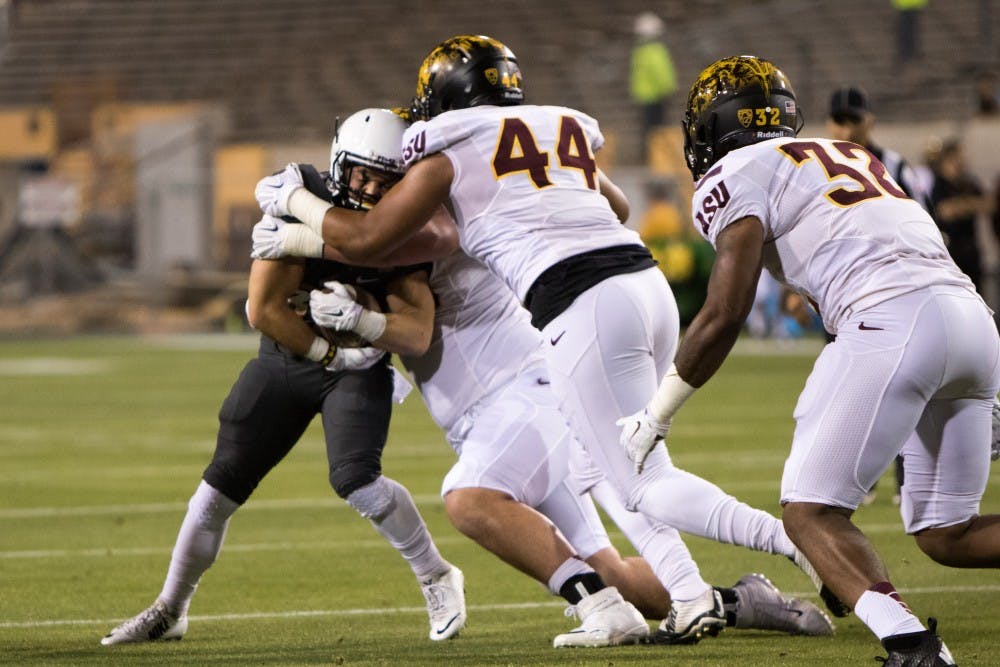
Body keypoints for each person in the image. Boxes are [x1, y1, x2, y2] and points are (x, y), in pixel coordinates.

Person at [253, 34, 842, 639]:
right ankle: (721, 600)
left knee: (504, 495)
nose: (380, 188)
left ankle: (789, 541)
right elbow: (611, 205)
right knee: (617, 534)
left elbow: (381, 239)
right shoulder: (538, 132)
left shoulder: (447, 159)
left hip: (556, 343)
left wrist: (301, 223)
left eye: (388, 178)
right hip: (627, 293)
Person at [256, 212, 835, 645]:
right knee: (617, 574)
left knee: (470, 499)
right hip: (512, 409)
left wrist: (311, 231)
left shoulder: (441, 212)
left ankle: (784, 545)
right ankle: (742, 601)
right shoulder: (426, 214)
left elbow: (414, 315)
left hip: (527, 396)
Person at [619, 54, 1000, 665]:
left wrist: (657, 411)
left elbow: (724, 311)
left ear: (715, 127)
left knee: (809, 513)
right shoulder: (852, 155)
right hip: (973, 321)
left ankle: (914, 649)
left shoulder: (736, 170)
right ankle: (901, 628)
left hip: (889, 321)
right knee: (946, 533)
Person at [100, 108, 467, 646]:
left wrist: (365, 322)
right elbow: (263, 309)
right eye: (362, 173)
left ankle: (436, 574)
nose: (369, 188)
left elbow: (414, 331)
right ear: (339, 163)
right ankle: (170, 607)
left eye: (385, 181)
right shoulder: (303, 191)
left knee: (356, 480)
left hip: (359, 367)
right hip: (290, 360)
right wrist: (331, 352)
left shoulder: (401, 222)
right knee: (217, 488)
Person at [827, 85, 929, 504]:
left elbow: (924, 221)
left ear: (869, 120)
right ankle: (855, 479)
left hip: (894, 290)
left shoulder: (893, 165)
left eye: (855, 119)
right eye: (841, 119)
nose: (848, 128)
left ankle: (908, 478)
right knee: (845, 390)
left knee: (900, 385)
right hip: (842, 294)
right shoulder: (822, 163)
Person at [928, 137, 993, 296]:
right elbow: (945, 211)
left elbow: (988, 204)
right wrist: (970, 205)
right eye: (960, 156)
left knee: (979, 297)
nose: (965, 160)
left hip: (971, 251)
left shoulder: (969, 181)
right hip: (949, 252)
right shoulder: (938, 183)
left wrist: (961, 206)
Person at [629, 11, 678, 162]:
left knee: (648, 131)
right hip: (656, 96)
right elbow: (661, 73)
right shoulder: (656, 51)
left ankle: (649, 158)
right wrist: (668, 89)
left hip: (643, 96)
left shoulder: (639, 52)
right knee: (658, 130)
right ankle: (659, 160)